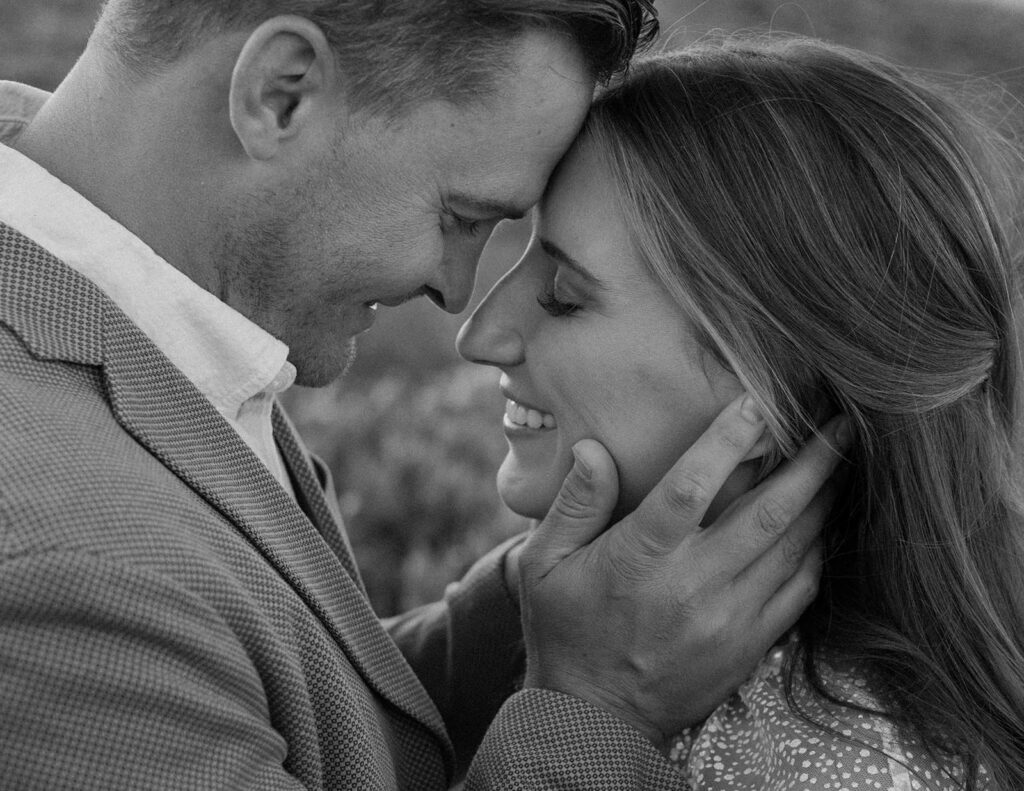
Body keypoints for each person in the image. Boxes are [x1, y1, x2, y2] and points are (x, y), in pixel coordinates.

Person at [0, 3, 847, 789]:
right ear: (282, 95)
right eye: (461, 216)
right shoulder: (64, 567)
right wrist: (596, 710)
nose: (457, 294)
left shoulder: (116, 312)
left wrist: (550, 606)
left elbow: (276, 704)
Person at [458, 36, 1024, 790]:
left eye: (563, 295)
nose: (481, 334)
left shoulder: (836, 768)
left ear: (773, 382)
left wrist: (584, 710)